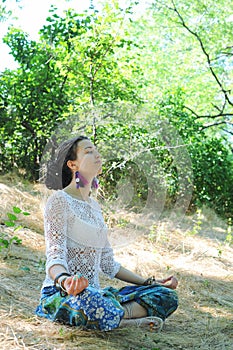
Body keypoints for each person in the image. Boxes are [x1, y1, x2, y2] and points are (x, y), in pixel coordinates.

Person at [36, 135, 178, 332]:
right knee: (88, 300)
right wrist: (66, 281)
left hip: (97, 294)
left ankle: (113, 317)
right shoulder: (59, 201)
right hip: (64, 294)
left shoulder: (94, 207)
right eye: (88, 151)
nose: (97, 154)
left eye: (95, 149)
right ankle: (125, 320)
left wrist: (150, 281)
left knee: (164, 295)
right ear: (72, 164)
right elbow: (54, 256)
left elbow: (108, 264)